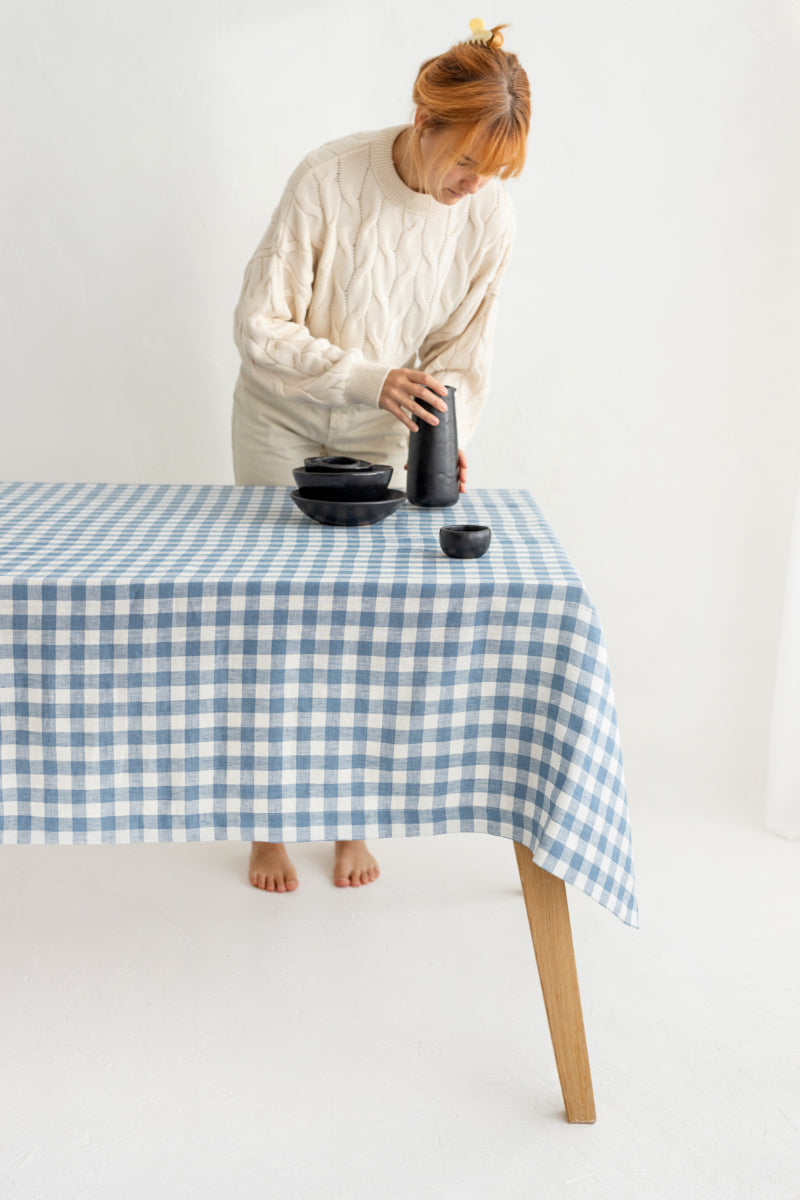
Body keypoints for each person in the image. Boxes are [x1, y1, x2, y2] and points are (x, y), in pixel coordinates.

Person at [231, 18, 530, 893]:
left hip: (382, 431)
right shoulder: (329, 177)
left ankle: (351, 813)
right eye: (467, 162)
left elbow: (462, 354)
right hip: (281, 421)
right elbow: (258, 328)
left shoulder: (487, 217)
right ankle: (267, 824)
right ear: (425, 120)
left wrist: (449, 435)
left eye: (495, 173)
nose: (473, 187)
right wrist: (368, 378)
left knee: (363, 626)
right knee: (271, 621)